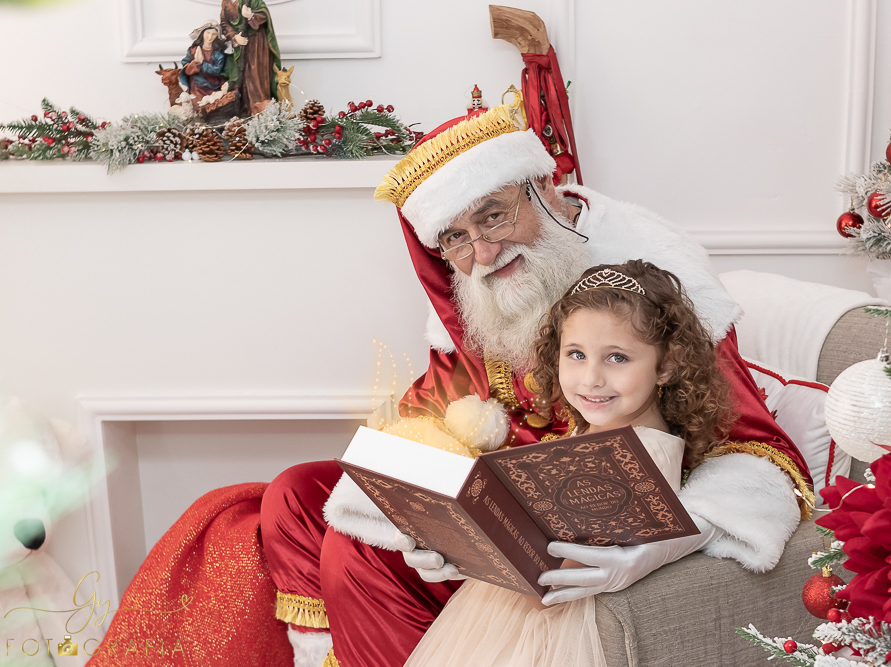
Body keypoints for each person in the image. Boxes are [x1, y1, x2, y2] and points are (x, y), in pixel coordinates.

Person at [262, 94, 814, 667]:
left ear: (543, 190)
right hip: (500, 526)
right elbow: (425, 421)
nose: (484, 252)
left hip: (590, 525)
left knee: (358, 554)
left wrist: (673, 537)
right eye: (455, 238)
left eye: (494, 216)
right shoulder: (475, 312)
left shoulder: (659, 293)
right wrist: (432, 532)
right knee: (299, 493)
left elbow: (759, 451)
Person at [402, 260, 735, 667]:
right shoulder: (592, 434)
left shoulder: (637, 454)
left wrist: (481, 551)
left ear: (665, 365)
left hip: (551, 636)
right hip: (503, 616)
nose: (590, 378)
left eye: (617, 358)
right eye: (576, 354)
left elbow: (551, 582)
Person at [220, 0, 281, 116]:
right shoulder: (226, 2)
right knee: (242, 77)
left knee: (256, 74)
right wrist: (234, 37)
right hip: (240, 45)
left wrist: (252, 16)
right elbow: (224, 23)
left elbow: (264, 14)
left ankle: (261, 110)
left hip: (257, 42)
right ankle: (246, 110)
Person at [179, 24, 229, 106]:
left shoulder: (218, 54)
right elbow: (185, 63)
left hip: (213, 83)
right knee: (197, 101)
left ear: (217, 36)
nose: (210, 37)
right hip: (196, 82)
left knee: (212, 102)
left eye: (214, 34)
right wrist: (194, 64)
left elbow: (216, 70)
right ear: (202, 34)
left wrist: (202, 64)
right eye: (208, 33)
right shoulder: (193, 50)